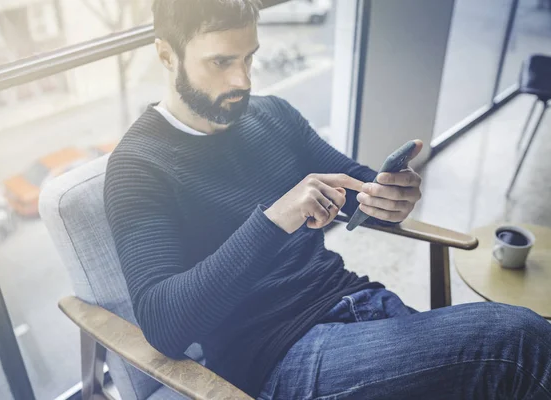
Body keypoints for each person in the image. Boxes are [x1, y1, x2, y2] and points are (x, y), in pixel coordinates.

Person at [103, 1, 551, 399]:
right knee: (521, 339)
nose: (242, 79)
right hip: (278, 355)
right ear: (166, 54)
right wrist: (276, 219)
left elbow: (357, 187)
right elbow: (164, 325)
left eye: (248, 57)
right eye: (221, 62)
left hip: (358, 302)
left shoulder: (271, 114)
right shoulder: (138, 166)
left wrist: (389, 194)